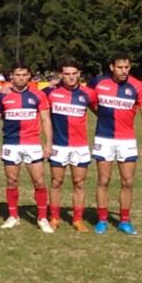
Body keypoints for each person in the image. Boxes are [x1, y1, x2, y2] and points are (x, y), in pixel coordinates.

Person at [89, 52, 142, 235]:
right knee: (103, 180)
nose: (124, 71)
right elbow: (86, 99)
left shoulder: (138, 86)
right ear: (111, 67)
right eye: (120, 67)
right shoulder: (98, 83)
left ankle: (125, 220)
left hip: (127, 140)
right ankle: (101, 220)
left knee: (128, 181)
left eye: (127, 67)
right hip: (104, 138)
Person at [0, 65, 52, 233]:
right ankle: (13, 216)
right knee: (12, 181)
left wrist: (48, 144)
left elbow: (46, 120)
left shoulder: (38, 95)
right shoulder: (3, 96)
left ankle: (42, 218)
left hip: (32, 144)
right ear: (12, 76)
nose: (21, 78)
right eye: (18, 75)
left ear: (29, 76)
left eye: (24, 75)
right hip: (11, 144)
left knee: (39, 181)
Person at [46, 58, 97, 232]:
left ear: (79, 74)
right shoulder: (50, 93)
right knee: (56, 182)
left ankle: (78, 219)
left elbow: (100, 112)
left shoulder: (88, 94)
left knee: (79, 183)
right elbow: (24, 91)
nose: (71, 77)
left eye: (74, 73)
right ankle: (54, 218)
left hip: (80, 146)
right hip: (58, 145)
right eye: (67, 74)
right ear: (61, 75)